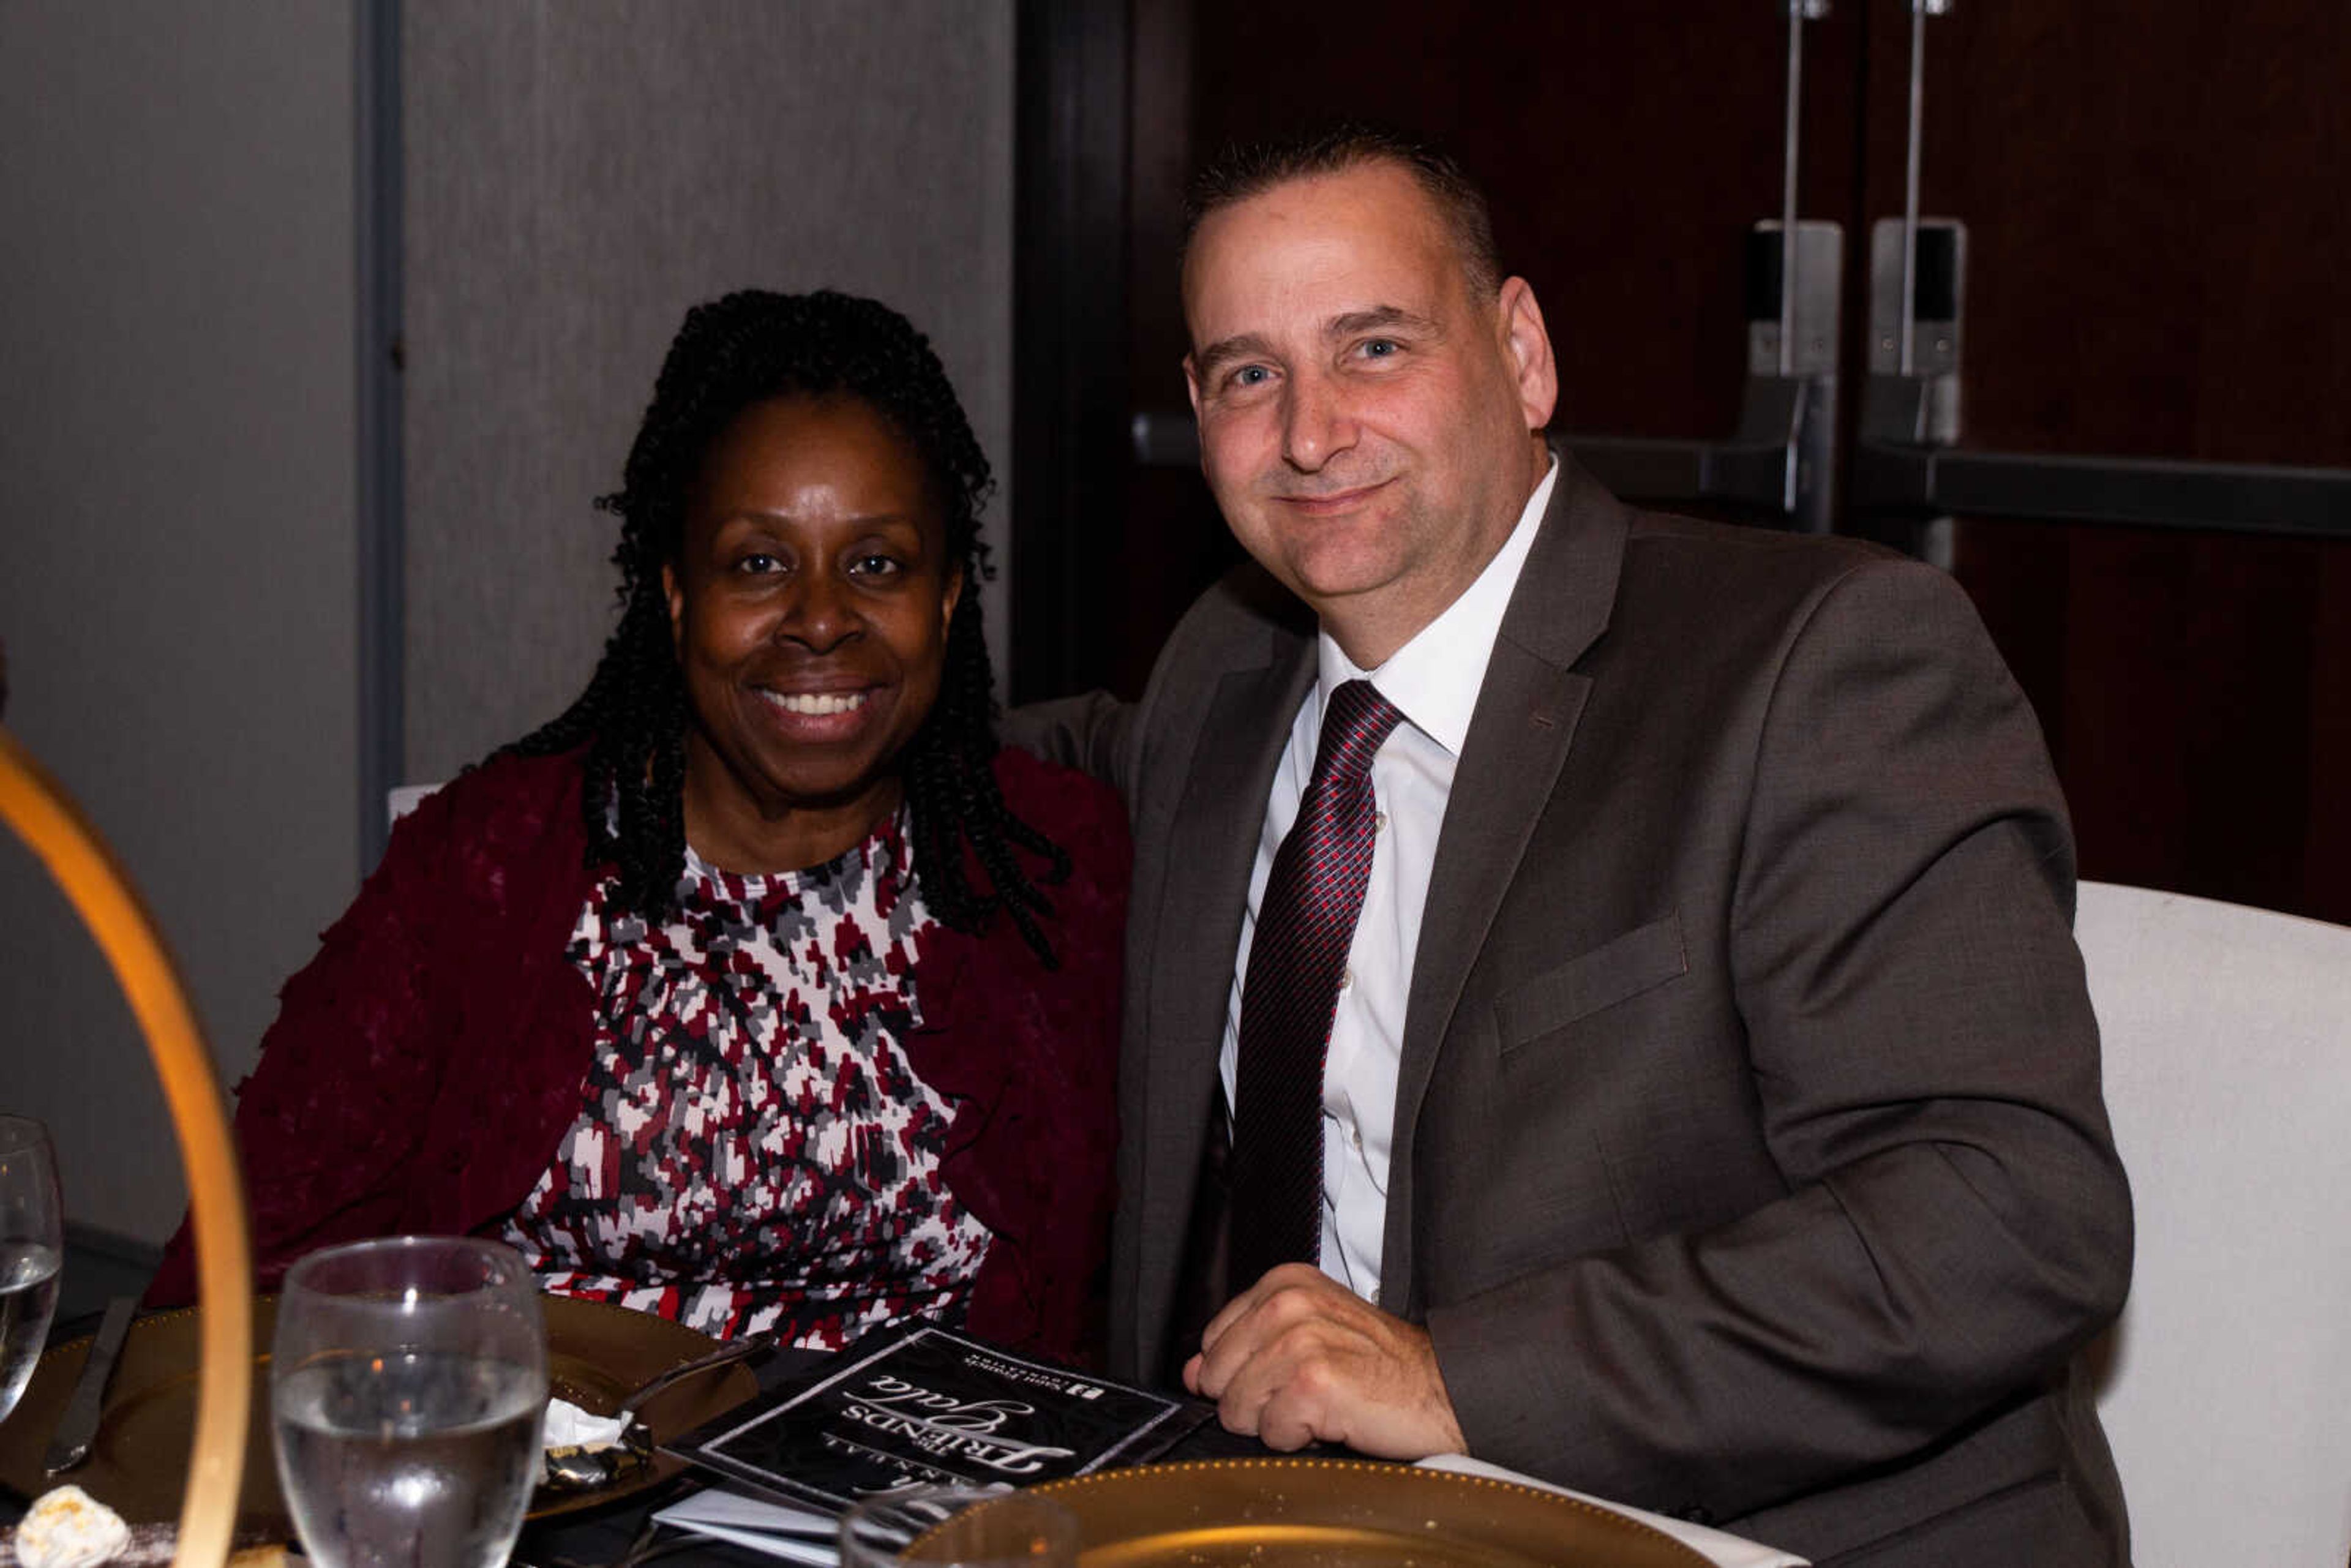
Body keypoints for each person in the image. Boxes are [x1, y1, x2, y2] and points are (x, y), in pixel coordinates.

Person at [1010, 126, 2133, 1562]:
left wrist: (1452, 1378)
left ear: (1523, 352)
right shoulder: (1225, 674)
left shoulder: (1820, 663)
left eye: (1372, 348)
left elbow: (2009, 1217)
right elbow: (984, 745)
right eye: (1250, 374)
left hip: (1771, 1540)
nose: (1307, 433)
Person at [150, 290, 1128, 1367]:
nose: (818, 616)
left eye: (877, 563)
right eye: (758, 562)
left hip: (913, 1512)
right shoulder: (485, 867)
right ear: (673, 593)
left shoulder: (1060, 871)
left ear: (947, 600)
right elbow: (254, 1259)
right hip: (559, 1499)